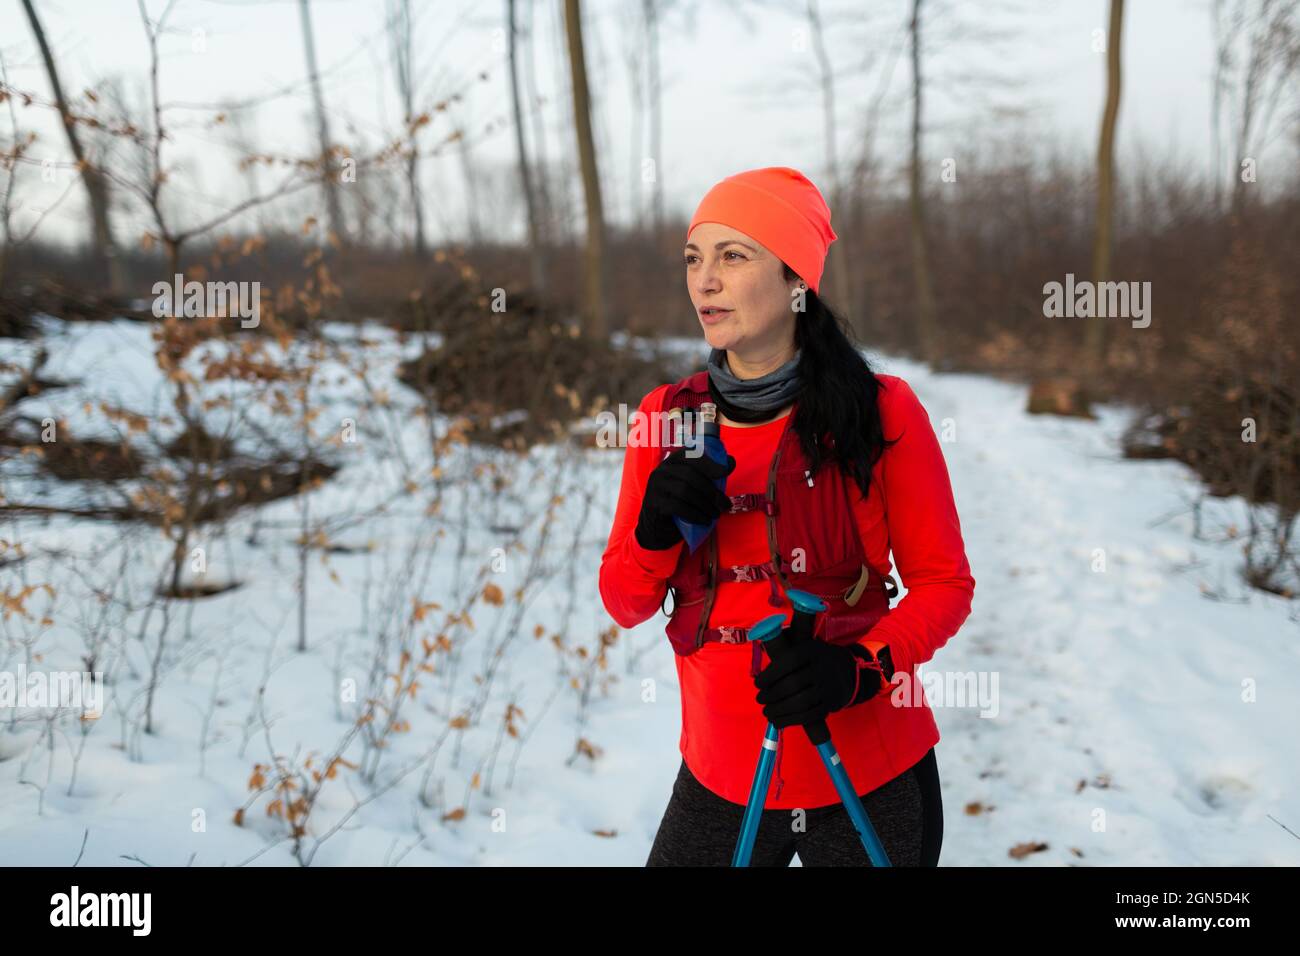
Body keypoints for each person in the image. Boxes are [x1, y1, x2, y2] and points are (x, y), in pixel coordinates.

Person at [598, 166, 975, 866]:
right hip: (720, 776)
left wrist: (858, 670)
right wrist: (651, 535)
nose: (705, 281)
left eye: (733, 256)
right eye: (694, 258)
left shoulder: (881, 410)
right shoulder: (664, 418)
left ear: (796, 280)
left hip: (868, 771)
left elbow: (944, 585)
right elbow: (624, 602)